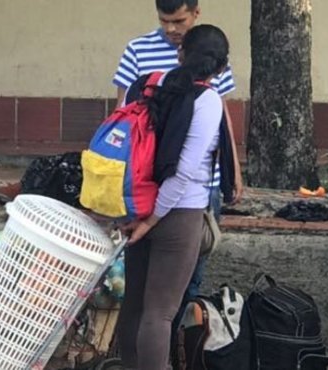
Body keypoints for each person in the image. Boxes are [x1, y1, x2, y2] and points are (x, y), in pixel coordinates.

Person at [112, 0, 243, 352]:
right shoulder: (206, 98)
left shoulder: (149, 83)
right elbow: (184, 171)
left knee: (138, 303)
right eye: (164, 20)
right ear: (220, 66)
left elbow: (121, 129)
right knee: (161, 311)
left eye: (178, 21)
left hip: (141, 198)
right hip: (177, 208)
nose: (171, 28)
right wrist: (153, 219)